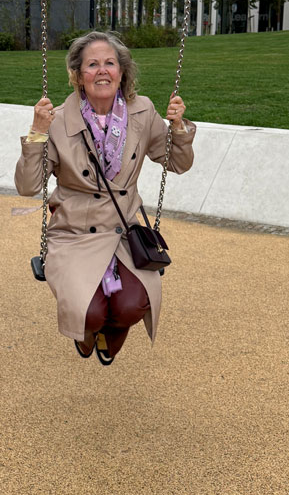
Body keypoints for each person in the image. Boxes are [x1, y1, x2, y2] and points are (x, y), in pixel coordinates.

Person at [15, 30, 196, 365]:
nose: (102, 70)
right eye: (92, 64)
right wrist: (37, 132)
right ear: (77, 75)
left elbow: (177, 163)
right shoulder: (56, 122)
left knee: (131, 306)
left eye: (110, 63)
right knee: (89, 313)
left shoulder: (142, 112)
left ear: (122, 72)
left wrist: (179, 128)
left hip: (124, 231)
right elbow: (28, 186)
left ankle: (109, 334)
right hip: (74, 232)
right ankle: (90, 331)